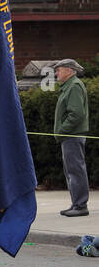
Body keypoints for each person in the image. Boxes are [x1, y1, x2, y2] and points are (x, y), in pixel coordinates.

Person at [52, 59, 90, 217]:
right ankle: (77, 204)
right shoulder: (69, 86)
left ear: (69, 70)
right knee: (72, 171)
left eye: (58, 70)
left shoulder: (74, 86)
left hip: (72, 135)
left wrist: (62, 130)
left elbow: (76, 114)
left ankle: (80, 205)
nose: (56, 73)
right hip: (69, 136)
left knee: (75, 171)